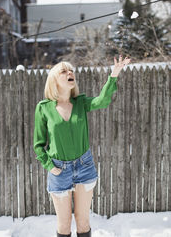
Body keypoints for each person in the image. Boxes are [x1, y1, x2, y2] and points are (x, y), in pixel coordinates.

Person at [33, 55, 131, 237]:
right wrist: (49, 166)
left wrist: (114, 74)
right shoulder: (44, 108)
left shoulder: (80, 103)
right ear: (54, 79)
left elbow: (102, 101)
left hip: (84, 166)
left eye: (71, 70)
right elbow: (38, 145)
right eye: (64, 71)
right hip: (58, 169)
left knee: (82, 220)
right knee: (64, 224)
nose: (70, 73)